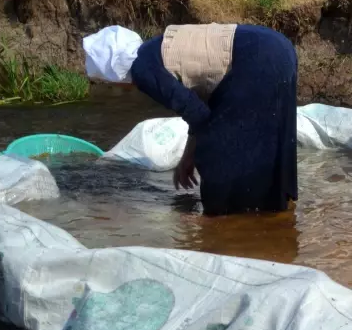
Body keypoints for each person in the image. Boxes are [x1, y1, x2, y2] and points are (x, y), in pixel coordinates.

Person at [83, 23, 298, 216]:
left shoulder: (143, 71)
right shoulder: (154, 49)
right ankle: (279, 217)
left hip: (257, 60)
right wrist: (188, 156)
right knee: (274, 139)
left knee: (220, 158)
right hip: (278, 47)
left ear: (112, 73)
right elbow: (201, 108)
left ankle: (225, 226)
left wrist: (200, 158)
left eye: (108, 82)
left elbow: (200, 116)